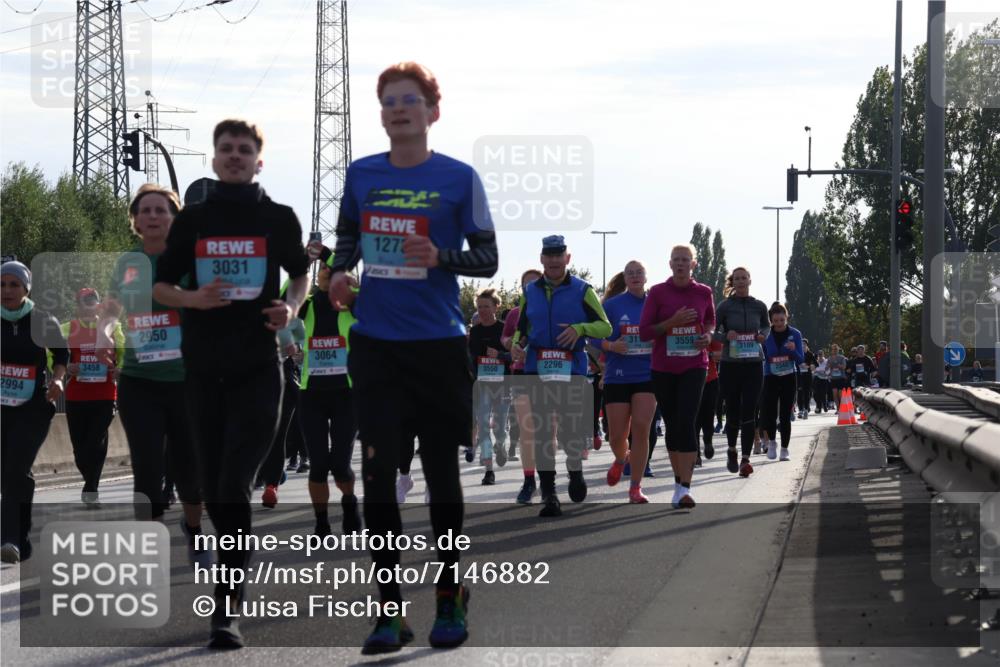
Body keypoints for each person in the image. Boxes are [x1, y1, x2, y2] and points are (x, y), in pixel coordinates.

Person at [326, 62, 498, 653]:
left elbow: (489, 258)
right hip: (376, 345)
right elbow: (347, 243)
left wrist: (440, 255)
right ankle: (388, 609)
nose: (399, 109)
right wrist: (339, 275)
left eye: (411, 100)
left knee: (441, 474)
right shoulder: (361, 174)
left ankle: (450, 593)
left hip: (438, 345)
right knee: (379, 478)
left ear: (433, 111)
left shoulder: (459, 177)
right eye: (389, 102)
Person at [153, 119, 311, 649]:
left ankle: (227, 611)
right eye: (227, 149)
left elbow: (300, 273)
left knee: (233, 484)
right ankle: (229, 581)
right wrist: (192, 299)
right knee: (213, 488)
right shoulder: (193, 220)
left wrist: (290, 306)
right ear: (215, 158)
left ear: (258, 160)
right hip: (201, 372)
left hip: (257, 371)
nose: (236, 156)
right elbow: (162, 285)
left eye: (245, 149)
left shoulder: (278, 218)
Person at [100, 184, 208, 567]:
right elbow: (112, 306)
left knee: (189, 472)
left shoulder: (191, 258)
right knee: (146, 471)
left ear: (174, 217)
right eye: (145, 210)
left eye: (161, 210)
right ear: (135, 219)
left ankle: (194, 531)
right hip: (139, 381)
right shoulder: (128, 262)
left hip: (185, 381)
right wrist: (105, 329)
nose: (152, 216)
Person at [511, 235, 612, 517]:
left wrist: (580, 329)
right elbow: (522, 328)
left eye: (559, 255)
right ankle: (549, 495)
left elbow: (605, 327)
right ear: (541, 259)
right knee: (543, 432)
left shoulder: (582, 290)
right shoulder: (530, 291)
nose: (554, 260)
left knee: (570, 431)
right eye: (549, 255)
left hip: (572, 369)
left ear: (568, 258)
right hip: (537, 368)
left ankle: (575, 471)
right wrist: (518, 346)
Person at [1, 261, 69, 564]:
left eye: (14, 284)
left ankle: (9, 538)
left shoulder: (42, 320)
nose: (6, 291)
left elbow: (62, 355)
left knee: (16, 468)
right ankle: (22, 537)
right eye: (1, 285)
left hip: (33, 407)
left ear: (26, 288)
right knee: (11, 474)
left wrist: (57, 379)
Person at [638, 245, 714, 507]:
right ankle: (678, 480)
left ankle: (685, 488)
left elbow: (711, 321)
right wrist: (673, 321)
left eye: (685, 260)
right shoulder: (658, 293)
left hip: (695, 365)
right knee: (672, 423)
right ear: (670, 264)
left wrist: (708, 335)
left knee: (687, 420)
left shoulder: (704, 292)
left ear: (693, 264)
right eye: (676, 260)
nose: (680, 264)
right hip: (663, 368)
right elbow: (645, 332)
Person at [297, 251, 361, 536]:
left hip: (346, 394)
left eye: (330, 267)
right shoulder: (306, 305)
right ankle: (321, 522)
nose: (324, 269)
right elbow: (289, 290)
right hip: (312, 394)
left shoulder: (352, 304)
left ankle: (349, 502)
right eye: (321, 267)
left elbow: (345, 272)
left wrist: (324, 253)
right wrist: (302, 260)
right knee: (318, 464)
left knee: (340, 464)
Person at [61, 287, 124, 506]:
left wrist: (120, 369)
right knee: (80, 448)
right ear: (78, 305)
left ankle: (91, 488)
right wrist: (67, 367)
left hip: (105, 394)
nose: (90, 306)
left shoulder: (113, 328)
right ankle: (90, 480)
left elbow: (125, 354)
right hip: (76, 396)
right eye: (84, 302)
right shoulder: (67, 328)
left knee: (95, 440)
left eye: (93, 302)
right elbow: (52, 355)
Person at [599, 261, 656, 503]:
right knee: (616, 437)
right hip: (617, 375)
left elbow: (667, 330)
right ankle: (622, 459)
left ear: (645, 277)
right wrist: (612, 345)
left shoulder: (655, 304)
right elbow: (592, 337)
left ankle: (635, 487)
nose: (634, 276)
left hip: (647, 375)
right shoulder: (612, 305)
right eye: (630, 273)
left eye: (639, 273)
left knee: (642, 430)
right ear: (625, 278)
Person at [712, 267, 769, 478]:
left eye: (744, 278)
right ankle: (732, 450)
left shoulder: (759, 305)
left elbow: (766, 326)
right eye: (737, 278)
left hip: (754, 364)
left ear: (750, 280)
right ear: (732, 282)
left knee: (750, 411)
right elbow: (714, 332)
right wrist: (727, 335)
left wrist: (763, 335)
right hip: (731, 364)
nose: (741, 281)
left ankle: (746, 459)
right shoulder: (725, 306)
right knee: (733, 410)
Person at [502, 269, 542, 504]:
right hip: (520, 373)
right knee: (527, 429)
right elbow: (506, 337)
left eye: (535, 283)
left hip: (548, 374)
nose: (531, 287)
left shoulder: (552, 311)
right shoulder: (516, 313)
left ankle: (548, 476)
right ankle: (529, 481)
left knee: (548, 433)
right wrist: (511, 345)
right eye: (526, 284)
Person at [468, 288, 511, 484]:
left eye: (486, 306)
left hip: (502, 385)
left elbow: (516, 357)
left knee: (499, 428)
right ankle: (489, 470)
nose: (483, 310)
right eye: (479, 307)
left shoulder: (505, 330)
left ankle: (501, 445)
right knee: (484, 426)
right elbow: (470, 361)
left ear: (496, 307)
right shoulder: (474, 332)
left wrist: (501, 356)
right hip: (482, 385)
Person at [760, 303, 804, 461]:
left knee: (785, 414)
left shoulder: (795, 334)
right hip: (770, 376)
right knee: (770, 413)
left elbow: (800, 360)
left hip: (788, 376)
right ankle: (772, 442)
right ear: (770, 320)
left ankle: (785, 449)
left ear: (787, 318)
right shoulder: (765, 335)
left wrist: (793, 350)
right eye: (775, 320)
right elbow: (763, 356)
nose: (778, 324)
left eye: (781, 320)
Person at [797, 338, 816, 419]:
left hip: (807, 376)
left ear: (807, 345)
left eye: (804, 344)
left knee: (807, 393)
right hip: (799, 376)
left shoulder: (810, 354)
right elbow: (794, 362)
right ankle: (800, 409)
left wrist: (811, 366)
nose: (803, 346)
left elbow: (815, 364)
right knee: (800, 393)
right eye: (801, 344)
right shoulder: (797, 353)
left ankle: (806, 409)